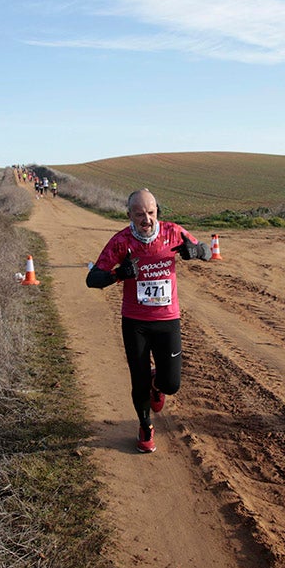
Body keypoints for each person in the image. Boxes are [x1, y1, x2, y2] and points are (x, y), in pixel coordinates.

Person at [86, 188, 211, 452]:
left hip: (167, 319)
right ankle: (145, 426)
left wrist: (196, 251)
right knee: (138, 380)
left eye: (151, 213)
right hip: (135, 322)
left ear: (157, 212)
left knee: (171, 385)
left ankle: (158, 385)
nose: (147, 220)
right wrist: (119, 274)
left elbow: (208, 251)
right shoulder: (121, 241)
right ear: (129, 215)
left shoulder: (173, 232)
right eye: (140, 214)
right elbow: (92, 279)